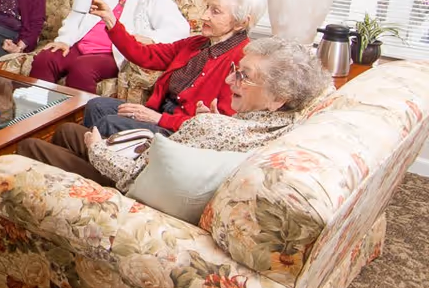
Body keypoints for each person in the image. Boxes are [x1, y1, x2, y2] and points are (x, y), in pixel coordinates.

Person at [17, 37, 329, 190]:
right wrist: (210, 119)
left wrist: (98, 150)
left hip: (137, 187)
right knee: (68, 131)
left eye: (244, 76)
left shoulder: (218, 128)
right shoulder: (271, 121)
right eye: (237, 71)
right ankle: (50, 184)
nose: (232, 80)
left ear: (278, 98)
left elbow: (137, 175)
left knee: (30, 145)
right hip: (160, 157)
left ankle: (53, 189)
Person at [82, 0, 266, 137]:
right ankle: (96, 160)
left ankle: (101, 165)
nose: (204, 16)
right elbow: (145, 55)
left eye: (215, 12)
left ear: (242, 22)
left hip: (180, 131)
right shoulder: (197, 43)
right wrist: (111, 20)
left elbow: (222, 125)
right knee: (96, 106)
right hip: (160, 114)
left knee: (109, 123)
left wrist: (159, 119)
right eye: (207, 8)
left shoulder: (243, 62)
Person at [29, 0, 190, 92]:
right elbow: (76, 16)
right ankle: (37, 114)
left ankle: (74, 121)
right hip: (79, 47)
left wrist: (151, 39)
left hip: (112, 54)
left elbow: (180, 29)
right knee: (46, 58)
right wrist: (64, 40)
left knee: (82, 68)